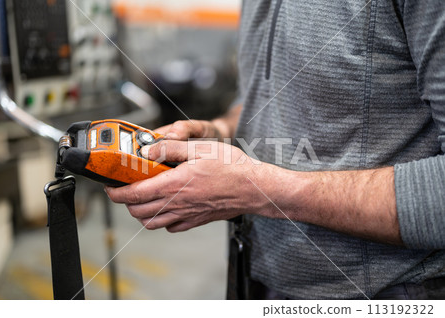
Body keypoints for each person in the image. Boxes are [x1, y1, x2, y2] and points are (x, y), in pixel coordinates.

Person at [106, 0, 445, 299]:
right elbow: (266, 96)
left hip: (385, 292)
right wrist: (222, 131)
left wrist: (259, 190)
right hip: (261, 273)